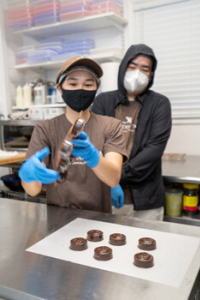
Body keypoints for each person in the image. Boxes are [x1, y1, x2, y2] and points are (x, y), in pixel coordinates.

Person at [19, 56, 127, 213]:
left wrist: (94, 158)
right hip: (58, 221)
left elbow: (113, 178)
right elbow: (33, 190)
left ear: (97, 88)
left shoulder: (111, 126)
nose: (80, 89)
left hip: (99, 221)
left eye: (88, 84)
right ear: (60, 89)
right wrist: (27, 176)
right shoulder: (45, 129)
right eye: (73, 83)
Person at [91, 44, 172, 220]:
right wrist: (109, 182)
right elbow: (95, 143)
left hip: (146, 200)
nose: (138, 73)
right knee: (106, 246)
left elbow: (154, 149)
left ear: (151, 74)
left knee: (147, 246)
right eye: (132, 66)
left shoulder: (159, 104)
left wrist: (115, 177)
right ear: (123, 67)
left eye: (145, 69)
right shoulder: (103, 101)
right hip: (107, 196)